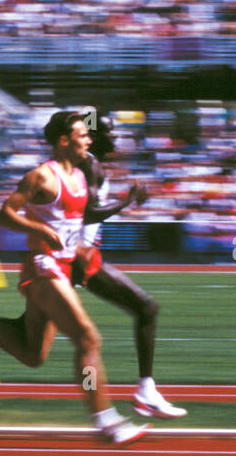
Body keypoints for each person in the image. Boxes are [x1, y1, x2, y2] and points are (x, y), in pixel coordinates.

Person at [0, 111, 149, 444]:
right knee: (88, 338)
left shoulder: (82, 178)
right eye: (82, 135)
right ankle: (105, 419)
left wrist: (122, 206)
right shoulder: (41, 176)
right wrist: (39, 227)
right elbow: (5, 214)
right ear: (63, 140)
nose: (89, 139)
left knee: (32, 354)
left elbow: (86, 216)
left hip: (64, 269)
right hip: (43, 268)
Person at [69, 116, 185, 419]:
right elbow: (90, 213)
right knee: (145, 307)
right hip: (77, 258)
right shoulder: (91, 165)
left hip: (78, 258)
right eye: (110, 132)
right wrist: (129, 200)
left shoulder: (90, 164)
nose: (116, 137)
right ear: (93, 137)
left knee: (30, 344)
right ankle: (141, 395)